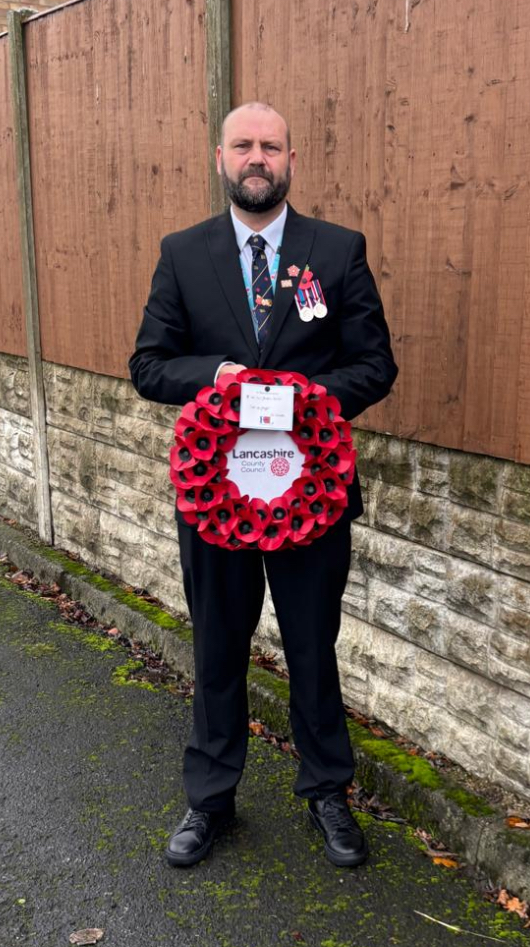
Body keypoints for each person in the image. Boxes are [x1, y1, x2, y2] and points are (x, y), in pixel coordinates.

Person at [129, 102, 398, 869]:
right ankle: (211, 798)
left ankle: (328, 792)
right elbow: (149, 364)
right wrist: (217, 376)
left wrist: (304, 399)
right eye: (243, 145)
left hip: (311, 497)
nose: (258, 157)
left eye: (271, 146)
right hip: (214, 499)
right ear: (220, 158)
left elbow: (375, 365)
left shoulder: (336, 251)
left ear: (290, 160)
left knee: (312, 647)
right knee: (218, 647)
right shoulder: (183, 254)